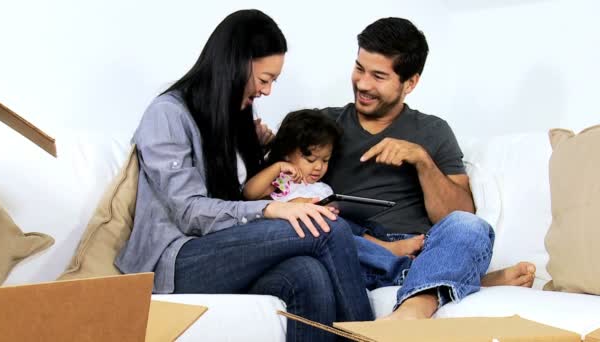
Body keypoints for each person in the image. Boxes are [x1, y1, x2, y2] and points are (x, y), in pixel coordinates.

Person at [114, 9, 372, 341]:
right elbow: (191, 212)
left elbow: (241, 192)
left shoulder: (233, 119)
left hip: (222, 253)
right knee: (326, 228)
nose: (267, 91)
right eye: (264, 80)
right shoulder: (167, 114)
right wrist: (268, 210)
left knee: (309, 276)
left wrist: (265, 151)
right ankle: (373, 337)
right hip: (176, 261)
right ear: (234, 65)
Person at [319, 17, 536, 320]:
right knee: (315, 234)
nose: (363, 84)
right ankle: (451, 280)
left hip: (420, 245)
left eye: (379, 76)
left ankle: (412, 310)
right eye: (359, 68)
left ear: (410, 83)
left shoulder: (433, 131)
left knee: (470, 228)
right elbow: (281, 190)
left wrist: (422, 160)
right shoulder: (322, 126)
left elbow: (457, 214)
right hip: (353, 246)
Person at [244, 108, 426, 258]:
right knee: (341, 232)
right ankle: (386, 250)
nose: (318, 167)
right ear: (287, 152)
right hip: (303, 233)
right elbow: (250, 193)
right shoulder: (284, 179)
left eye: (325, 160)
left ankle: (384, 250)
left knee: (357, 226)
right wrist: (277, 168)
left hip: (337, 230)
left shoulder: (321, 188)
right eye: (310, 159)